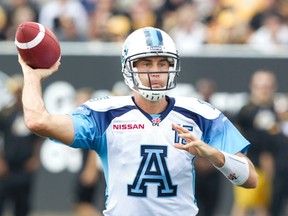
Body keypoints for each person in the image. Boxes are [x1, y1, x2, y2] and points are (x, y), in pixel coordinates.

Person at [18, 26, 258, 216]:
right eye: (146, 63)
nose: (155, 71)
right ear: (128, 67)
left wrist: (215, 155)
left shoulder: (200, 114)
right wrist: (31, 75)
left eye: (162, 63)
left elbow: (250, 179)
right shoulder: (104, 113)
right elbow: (38, 121)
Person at [230, 70, 280, 216]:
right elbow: (234, 136)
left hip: (270, 168)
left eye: (268, 87)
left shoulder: (275, 109)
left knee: (263, 206)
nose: (264, 90)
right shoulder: (246, 111)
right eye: (261, 86)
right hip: (250, 165)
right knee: (243, 205)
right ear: (253, 87)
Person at [0, 74, 43, 216]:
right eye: (16, 92)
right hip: (8, 165)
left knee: (23, 204)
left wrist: (35, 158)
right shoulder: (5, 114)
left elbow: (38, 138)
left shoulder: (31, 114)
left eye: (21, 91)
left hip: (25, 165)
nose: (18, 95)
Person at [73, 87, 105, 216]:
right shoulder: (81, 118)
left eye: (83, 99)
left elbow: (95, 145)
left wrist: (90, 169)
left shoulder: (92, 119)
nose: (79, 102)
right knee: (80, 202)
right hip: (86, 165)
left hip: (91, 168)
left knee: (82, 202)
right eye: (78, 99)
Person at [194, 78, 222, 216]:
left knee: (211, 209)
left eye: (208, 89)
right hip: (195, 169)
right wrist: (197, 161)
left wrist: (212, 162)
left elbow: (222, 141)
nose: (206, 93)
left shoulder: (219, 115)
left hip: (213, 168)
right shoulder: (190, 115)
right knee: (194, 208)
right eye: (203, 89)